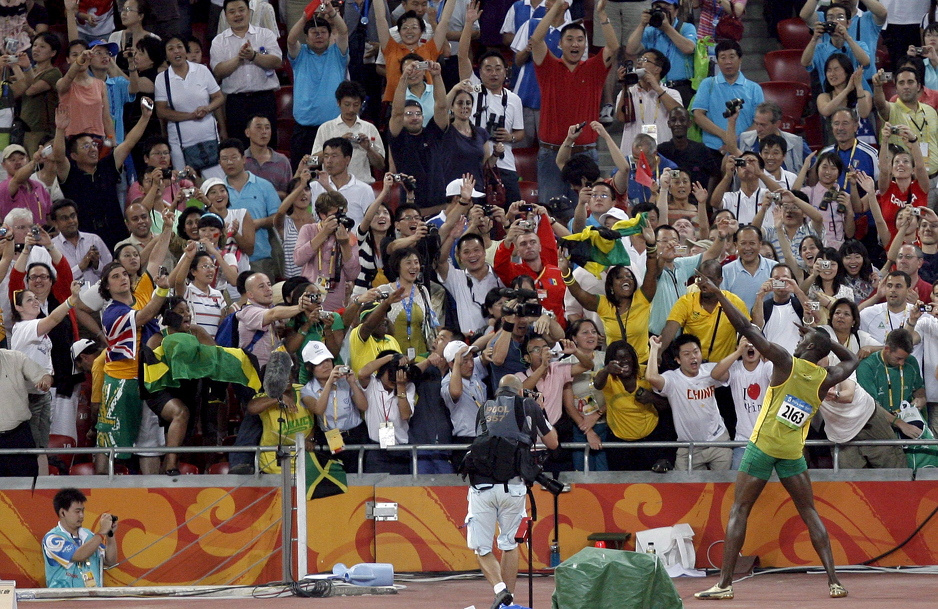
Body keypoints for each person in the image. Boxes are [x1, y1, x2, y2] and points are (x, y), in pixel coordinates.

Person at [692, 271, 857, 601]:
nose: (796, 342)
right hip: (792, 452)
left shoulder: (785, 362)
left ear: (808, 346)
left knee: (740, 511)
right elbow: (852, 358)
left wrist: (720, 295)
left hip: (762, 447)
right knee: (809, 512)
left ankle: (724, 585)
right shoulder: (825, 377)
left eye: (802, 341)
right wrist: (824, 339)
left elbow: (747, 329)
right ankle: (833, 581)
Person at [465, 375, 558, 609]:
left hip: (482, 487)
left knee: (482, 548)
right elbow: (553, 442)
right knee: (509, 544)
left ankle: (499, 590)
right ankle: (509, 604)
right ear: (520, 391)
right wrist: (541, 411)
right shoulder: (529, 405)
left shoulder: (484, 408)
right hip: (514, 487)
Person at [531, 0, 618, 203]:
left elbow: (613, 47)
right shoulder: (548, 66)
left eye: (580, 39)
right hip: (551, 153)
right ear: (560, 44)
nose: (575, 44)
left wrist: (602, 14)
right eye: (569, 39)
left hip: (585, 154)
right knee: (551, 210)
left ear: (585, 44)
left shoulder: (594, 68)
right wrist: (554, 8)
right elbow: (535, 40)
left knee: (588, 211)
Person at [52, 98, 154, 251]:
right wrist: (60, 129)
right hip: (87, 239)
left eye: (93, 144)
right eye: (86, 146)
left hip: (117, 234)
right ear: (74, 155)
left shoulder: (107, 165)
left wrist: (145, 117)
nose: (93, 149)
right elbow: (59, 156)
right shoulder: (70, 174)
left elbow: (129, 142)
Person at [647, 333, 732, 470]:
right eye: (686, 354)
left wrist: (739, 350)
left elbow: (727, 373)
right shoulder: (672, 379)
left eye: (696, 352)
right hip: (689, 447)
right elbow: (651, 377)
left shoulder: (710, 370)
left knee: (724, 489)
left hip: (718, 443)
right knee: (686, 490)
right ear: (678, 360)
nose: (693, 357)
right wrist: (654, 348)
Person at [210, 0, 282, 149]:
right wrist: (240, 58)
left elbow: (276, 62)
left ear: (249, 12)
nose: (237, 15)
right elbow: (218, 71)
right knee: (239, 148)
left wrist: (254, 56)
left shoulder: (265, 34)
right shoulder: (219, 41)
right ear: (225, 15)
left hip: (264, 100)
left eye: (241, 10)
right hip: (236, 103)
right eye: (232, 11)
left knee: (268, 147)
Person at [154, 35, 225, 179]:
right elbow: (161, 111)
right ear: (166, 55)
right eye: (171, 49)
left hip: (208, 137)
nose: (176, 51)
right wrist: (190, 116)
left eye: (179, 47)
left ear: (186, 51)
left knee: (216, 182)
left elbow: (219, 97)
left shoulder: (202, 70)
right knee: (185, 185)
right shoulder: (162, 79)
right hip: (179, 142)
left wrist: (207, 108)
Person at [287, 7, 350, 167]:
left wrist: (332, 13)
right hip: (304, 131)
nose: (319, 35)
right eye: (314, 33)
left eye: (323, 32)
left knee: (332, 173)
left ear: (330, 36)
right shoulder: (300, 54)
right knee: (304, 174)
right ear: (306, 38)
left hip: (333, 130)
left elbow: (343, 32)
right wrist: (304, 18)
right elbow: (291, 40)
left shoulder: (338, 54)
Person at [388, 62, 449, 215]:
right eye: (408, 114)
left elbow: (441, 107)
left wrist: (436, 76)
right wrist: (404, 78)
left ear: (423, 116)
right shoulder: (399, 138)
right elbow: (396, 112)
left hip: (441, 208)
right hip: (413, 211)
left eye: (417, 114)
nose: (414, 117)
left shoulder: (432, 133)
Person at [659, 259, 750, 362]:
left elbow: (748, 331)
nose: (703, 283)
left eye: (709, 279)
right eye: (700, 278)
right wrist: (659, 352)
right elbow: (670, 329)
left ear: (720, 280)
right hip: (694, 368)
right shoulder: (686, 301)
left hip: (724, 368)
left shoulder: (734, 302)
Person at [300, 341, 369, 474]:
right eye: (320, 362)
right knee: (335, 477)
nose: (326, 365)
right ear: (309, 367)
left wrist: (353, 383)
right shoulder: (307, 390)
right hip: (329, 437)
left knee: (359, 476)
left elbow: (363, 406)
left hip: (355, 434)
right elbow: (318, 409)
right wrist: (329, 382)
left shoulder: (345, 382)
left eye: (328, 360)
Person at [691, 39, 764, 160]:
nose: (728, 62)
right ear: (717, 61)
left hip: (745, 150)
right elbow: (698, 116)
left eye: (732, 57)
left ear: (740, 59)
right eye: (723, 57)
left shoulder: (754, 88)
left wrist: (735, 142)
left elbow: (759, 122)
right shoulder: (708, 84)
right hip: (712, 149)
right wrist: (725, 136)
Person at [219, 138, 281, 278]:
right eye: (225, 159)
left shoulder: (264, 186)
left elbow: (278, 218)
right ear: (219, 163)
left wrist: (257, 223)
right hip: (227, 260)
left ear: (244, 159)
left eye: (234, 157)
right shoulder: (217, 191)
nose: (229, 162)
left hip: (260, 258)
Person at [711, 336, 773, 469]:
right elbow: (715, 374)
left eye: (754, 343)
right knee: (736, 486)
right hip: (743, 442)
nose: (750, 346)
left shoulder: (767, 367)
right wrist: (738, 352)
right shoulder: (735, 369)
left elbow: (779, 381)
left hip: (769, 442)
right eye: (746, 343)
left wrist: (767, 355)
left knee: (773, 488)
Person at [294, 191, 360, 312]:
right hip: (309, 293)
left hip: (336, 297)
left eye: (343, 214)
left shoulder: (349, 235)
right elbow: (298, 259)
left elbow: (353, 274)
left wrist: (345, 245)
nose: (341, 218)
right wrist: (323, 233)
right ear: (323, 215)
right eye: (336, 214)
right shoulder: (309, 229)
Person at [873, 66, 938, 184]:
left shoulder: (931, 111)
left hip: (935, 178)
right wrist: (878, 87)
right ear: (896, 88)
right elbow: (880, 104)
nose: (906, 86)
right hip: (908, 183)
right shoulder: (891, 110)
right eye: (901, 83)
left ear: (918, 86)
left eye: (910, 82)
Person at [625, 0, 697, 106]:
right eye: (658, 8)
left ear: (676, 11)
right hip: (654, 87)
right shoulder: (650, 31)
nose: (662, 13)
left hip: (681, 87)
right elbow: (630, 50)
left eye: (666, 8)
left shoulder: (685, 28)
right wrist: (642, 25)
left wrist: (667, 28)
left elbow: (689, 48)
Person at [311, 81, 385, 184]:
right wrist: (337, 145)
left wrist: (368, 149)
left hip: (363, 185)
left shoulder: (370, 128)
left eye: (356, 105)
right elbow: (312, 162)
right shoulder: (325, 128)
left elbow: (381, 165)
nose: (351, 109)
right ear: (338, 102)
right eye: (347, 104)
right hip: (331, 187)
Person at [615, 49, 682, 160]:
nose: (639, 63)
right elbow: (622, 118)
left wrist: (657, 88)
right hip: (632, 155)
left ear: (657, 69)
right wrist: (624, 85)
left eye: (645, 60)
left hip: (662, 154)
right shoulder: (627, 92)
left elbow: (679, 114)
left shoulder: (671, 93)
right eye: (639, 60)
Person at [42, 488, 117, 588]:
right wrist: (102, 531)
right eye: (77, 512)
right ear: (62, 513)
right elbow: (78, 555)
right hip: (63, 600)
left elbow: (110, 561)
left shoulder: (89, 535)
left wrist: (109, 534)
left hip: (92, 598)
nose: (81, 516)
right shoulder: (52, 539)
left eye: (82, 511)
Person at [0, 346, 52, 477]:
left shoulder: (16, 357)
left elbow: (44, 375)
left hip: (19, 435)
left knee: (26, 487)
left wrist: (45, 381)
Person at [800, 2, 871, 93]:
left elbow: (865, 62)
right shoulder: (820, 49)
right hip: (831, 96)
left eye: (840, 17)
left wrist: (847, 37)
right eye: (830, 18)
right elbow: (805, 63)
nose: (835, 21)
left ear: (848, 23)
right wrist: (814, 39)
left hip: (859, 95)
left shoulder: (860, 45)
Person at [10, 32, 62, 156]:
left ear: (53, 53)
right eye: (34, 45)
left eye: (42, 47)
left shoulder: (54, 73)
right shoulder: (30, 71)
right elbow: (13, 89)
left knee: (37, 164)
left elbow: (29, 89)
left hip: (42, 131)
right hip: (23, 129)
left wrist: (16, 66)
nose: (36, 49)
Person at [308, 137, 375, 226]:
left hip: (354, 238)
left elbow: (371, 222)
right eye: (326, 156)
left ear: (347, 159)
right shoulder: (314, 186)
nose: (329, 161)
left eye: (334, 156)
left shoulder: (364, 189)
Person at [50, 199, 112, 286]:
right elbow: (56, 281)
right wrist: (80, 267)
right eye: (65, 218)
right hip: (71, 298)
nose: (71, 221)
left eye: (73, 216)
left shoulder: (94, 240)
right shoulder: (52, 248)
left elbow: (112, 271)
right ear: (55, 223)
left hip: (100, 296)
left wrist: (97, 264)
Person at [737, 102, 811, 174]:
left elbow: (814, 166)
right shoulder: (743, 139)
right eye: (756, 123)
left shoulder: (796, 143)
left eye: (763, 125)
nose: (758, 129)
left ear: (777, 124)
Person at [751, 264, 809, 354]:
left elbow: (816, 316)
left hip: (797, 360)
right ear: (771, 282)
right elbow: (756, 326)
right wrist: (760, 295)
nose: (781, 282)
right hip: (770, 360)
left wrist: (797, 291)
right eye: (776, 279)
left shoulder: (800, 304)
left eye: (785, 278)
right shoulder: (763, 306)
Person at [657, 107, 720, 190]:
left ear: (689, 123)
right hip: (670, 199)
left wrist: (707, 198)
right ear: (669, 124)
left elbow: (714, 174)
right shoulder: (662, 150)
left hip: (697, 199)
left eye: (682, 120)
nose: (677, 123)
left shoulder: (701, 149)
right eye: (673, 120)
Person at [720, 225, 778, 312]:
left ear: (760, 244)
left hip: (771, 323)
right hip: (736, 323)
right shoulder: (726, 271)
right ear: (736, 245)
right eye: (743, 243)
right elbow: (723, 304)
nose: (747, 248)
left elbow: (786, 296)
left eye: (752, 243)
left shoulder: (775, 268)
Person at [243, 116, 292, 198]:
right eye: (259, 127)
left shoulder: (282, 161)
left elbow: (289, 194)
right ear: (247, 132)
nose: (264, 132)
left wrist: (266, 194)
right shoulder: (240, 161)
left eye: (267, 128)